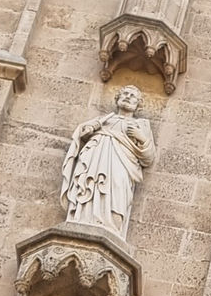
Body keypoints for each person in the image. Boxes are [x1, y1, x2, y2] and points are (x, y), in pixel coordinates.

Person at [59, 84, 156, 237]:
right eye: (125, 93)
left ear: (138, 104)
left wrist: (141, 137)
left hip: (122, 163)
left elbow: (148, 157)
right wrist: (87, 131)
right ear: (117, 99)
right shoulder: (103, 120)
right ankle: (82, 217)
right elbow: (81, 136)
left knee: (116, 187)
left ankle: (110, 225)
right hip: (94, 159)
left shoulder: (140, 125)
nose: (128, 97)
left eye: (132, 96)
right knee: (89, 186)